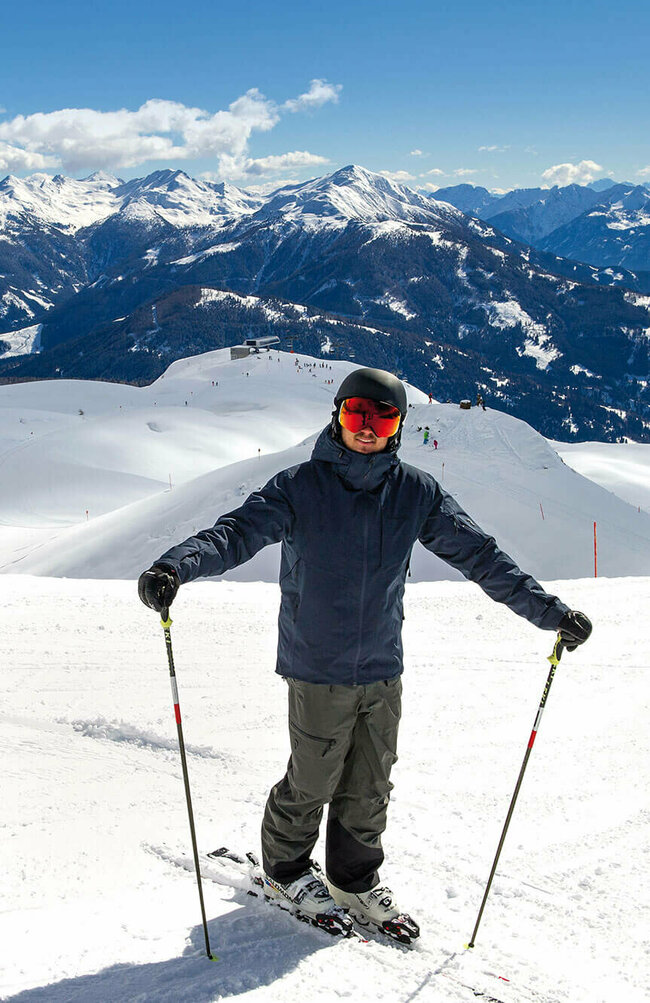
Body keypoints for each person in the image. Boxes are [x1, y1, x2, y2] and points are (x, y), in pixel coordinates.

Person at [138, 367, 591, 943]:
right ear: (337, 416)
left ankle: (354, 878)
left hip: (381, 664)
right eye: (358, 415)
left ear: (399, 426)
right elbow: (234, 533)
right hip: (317, 665)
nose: (368, 429)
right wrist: (176, 566)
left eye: (383, 418)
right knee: (313, 778)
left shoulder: (415, 493)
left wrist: (550, 613)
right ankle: (285, 870)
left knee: (371, 781)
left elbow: (482, 556)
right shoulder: (299, 487)